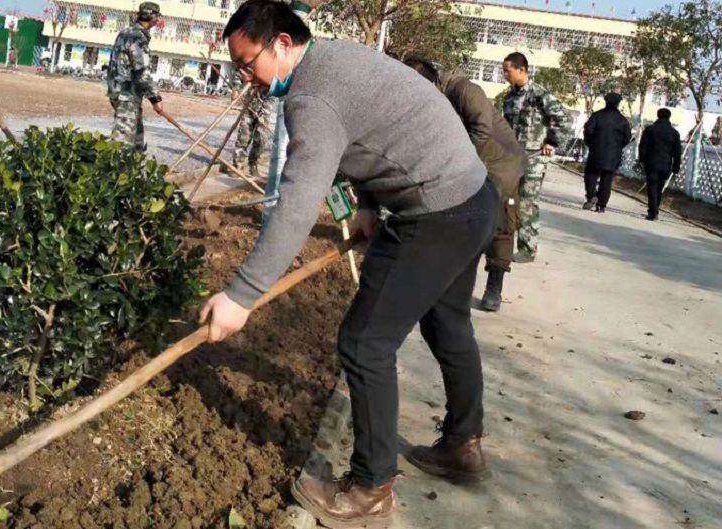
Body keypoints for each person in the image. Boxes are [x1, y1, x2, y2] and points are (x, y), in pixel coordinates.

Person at [201, 2, 497, 527]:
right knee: (448, 321)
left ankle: (370, 487)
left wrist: (242, 295)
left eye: (249, 63)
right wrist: (364, 204)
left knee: (364, 344)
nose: (245, 77)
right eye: (238, 67)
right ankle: (462, 445)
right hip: (473, 199)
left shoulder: (312, 98)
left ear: (284, 44)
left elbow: (296, 202)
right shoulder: (336, 60)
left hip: (435, 214)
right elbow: (369, 133)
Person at [405, 58, 526, 312]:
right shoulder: (432, 100)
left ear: (432, 82)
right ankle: (449, 283)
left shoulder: (465, 91)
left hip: (500, 163)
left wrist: (457, 163)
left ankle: (494, 286)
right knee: (460, 220)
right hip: (472, 163)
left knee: (500, 223)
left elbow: (482, 128)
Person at [502, 52, 568, 263]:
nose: (505, 75)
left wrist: (552, 141)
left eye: (507, 71)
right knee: (509, 201)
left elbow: (563, 119)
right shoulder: (510, 97)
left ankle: (527, 248)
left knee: (527, 203)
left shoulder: (540, 95)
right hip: (513, 157)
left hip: (534, 158)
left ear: (521, 70)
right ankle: (503, 243)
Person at [106, 1, 164, 151]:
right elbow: (141, 71)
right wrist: (155, 99)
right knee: (122, 144)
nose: (158, 20)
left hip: (120, 91)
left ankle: (133, 170)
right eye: (157, 16)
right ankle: (115, 173)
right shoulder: (137, 37)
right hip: (126, 94)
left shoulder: (125, 32)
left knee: (136, 139)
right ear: (151, 17)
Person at [582, 93, 632, 213]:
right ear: (618, 104)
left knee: (591, 174)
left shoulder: (597, 116)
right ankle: (601, 205)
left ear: (606, 101)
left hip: (596, 151)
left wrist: (591, 144)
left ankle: (591, 195)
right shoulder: (622, 120)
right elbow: (627, 137)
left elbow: (588, 131)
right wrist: (618, 147)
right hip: (613, 154)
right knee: (607, 179)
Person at [639, 108, 682, 221]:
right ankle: (654, 209)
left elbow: (643, 146)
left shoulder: (650, 130)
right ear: (669, 117)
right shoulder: (674, 133)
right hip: (666, 164)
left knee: (652, 187)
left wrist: (642, 160)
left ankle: (653, 212)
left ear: (658, 116)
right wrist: (676, 166)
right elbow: (677, 151)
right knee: (659, 187)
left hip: (651, 163)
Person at [231, 87, 274, 177]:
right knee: (243, 137)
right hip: (249, 105)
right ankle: (237, 165)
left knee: (261, 139)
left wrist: (264, 113)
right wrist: (236, 88)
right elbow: (242, 75)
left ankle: (253, 164)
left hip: (266, 109)